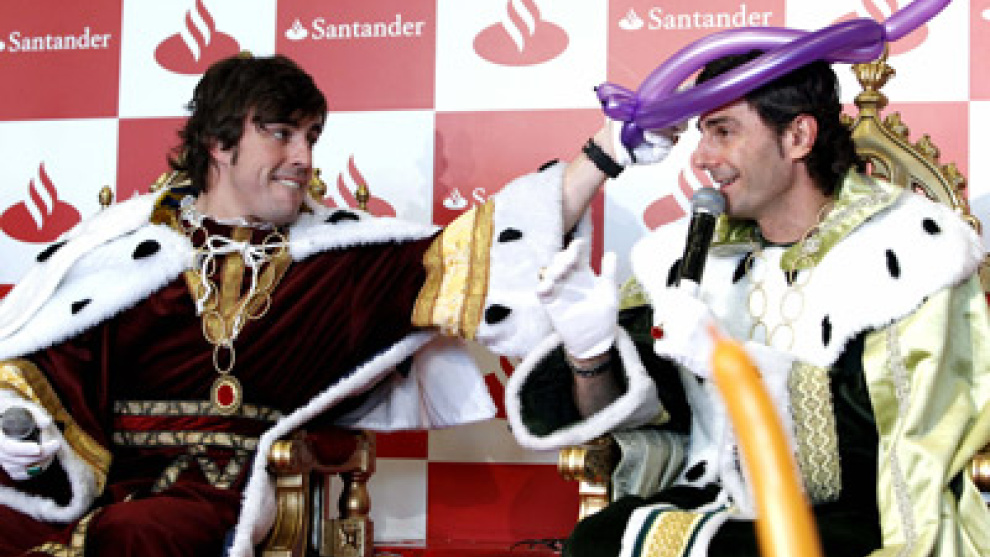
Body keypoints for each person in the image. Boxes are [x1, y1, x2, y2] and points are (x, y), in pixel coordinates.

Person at [0, 54, 677, 556]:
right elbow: (36, 365)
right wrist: (17, 425)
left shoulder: (335, 263)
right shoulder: (119, 252)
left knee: (137, 532)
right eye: (281, 134)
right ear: (219, 142)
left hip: (217, 497)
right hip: (94, 482)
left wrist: (604, 153)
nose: (303, 157)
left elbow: (484, 246)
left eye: (311, 138)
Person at [504, 50, 990, 557]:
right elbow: (628, 418)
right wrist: (591, 354)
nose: (700, 157)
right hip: (715, 501)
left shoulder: (910, 250)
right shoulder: (684, 256)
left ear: (797, 137)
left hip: (851, 514)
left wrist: (729, 362)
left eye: (724, 131)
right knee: (596, 543)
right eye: (702, 134)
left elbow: (907, 439)